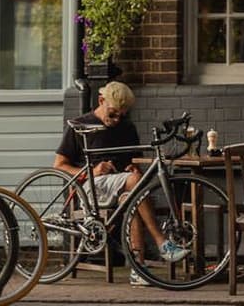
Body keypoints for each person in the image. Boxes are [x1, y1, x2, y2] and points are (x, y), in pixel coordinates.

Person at [52, 81, 184, 286]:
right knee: (135, 189)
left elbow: (134, 162)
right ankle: (161, 241)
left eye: (121, 115)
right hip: (91, 188)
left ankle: (138, 269)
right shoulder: (79, 125)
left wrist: (134, 168)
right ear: (101, 100)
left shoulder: (127, 127)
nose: (116, 119)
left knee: (132, 198)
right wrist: (90, 171)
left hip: (122, 185)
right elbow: (59, 165)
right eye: (113, 113)